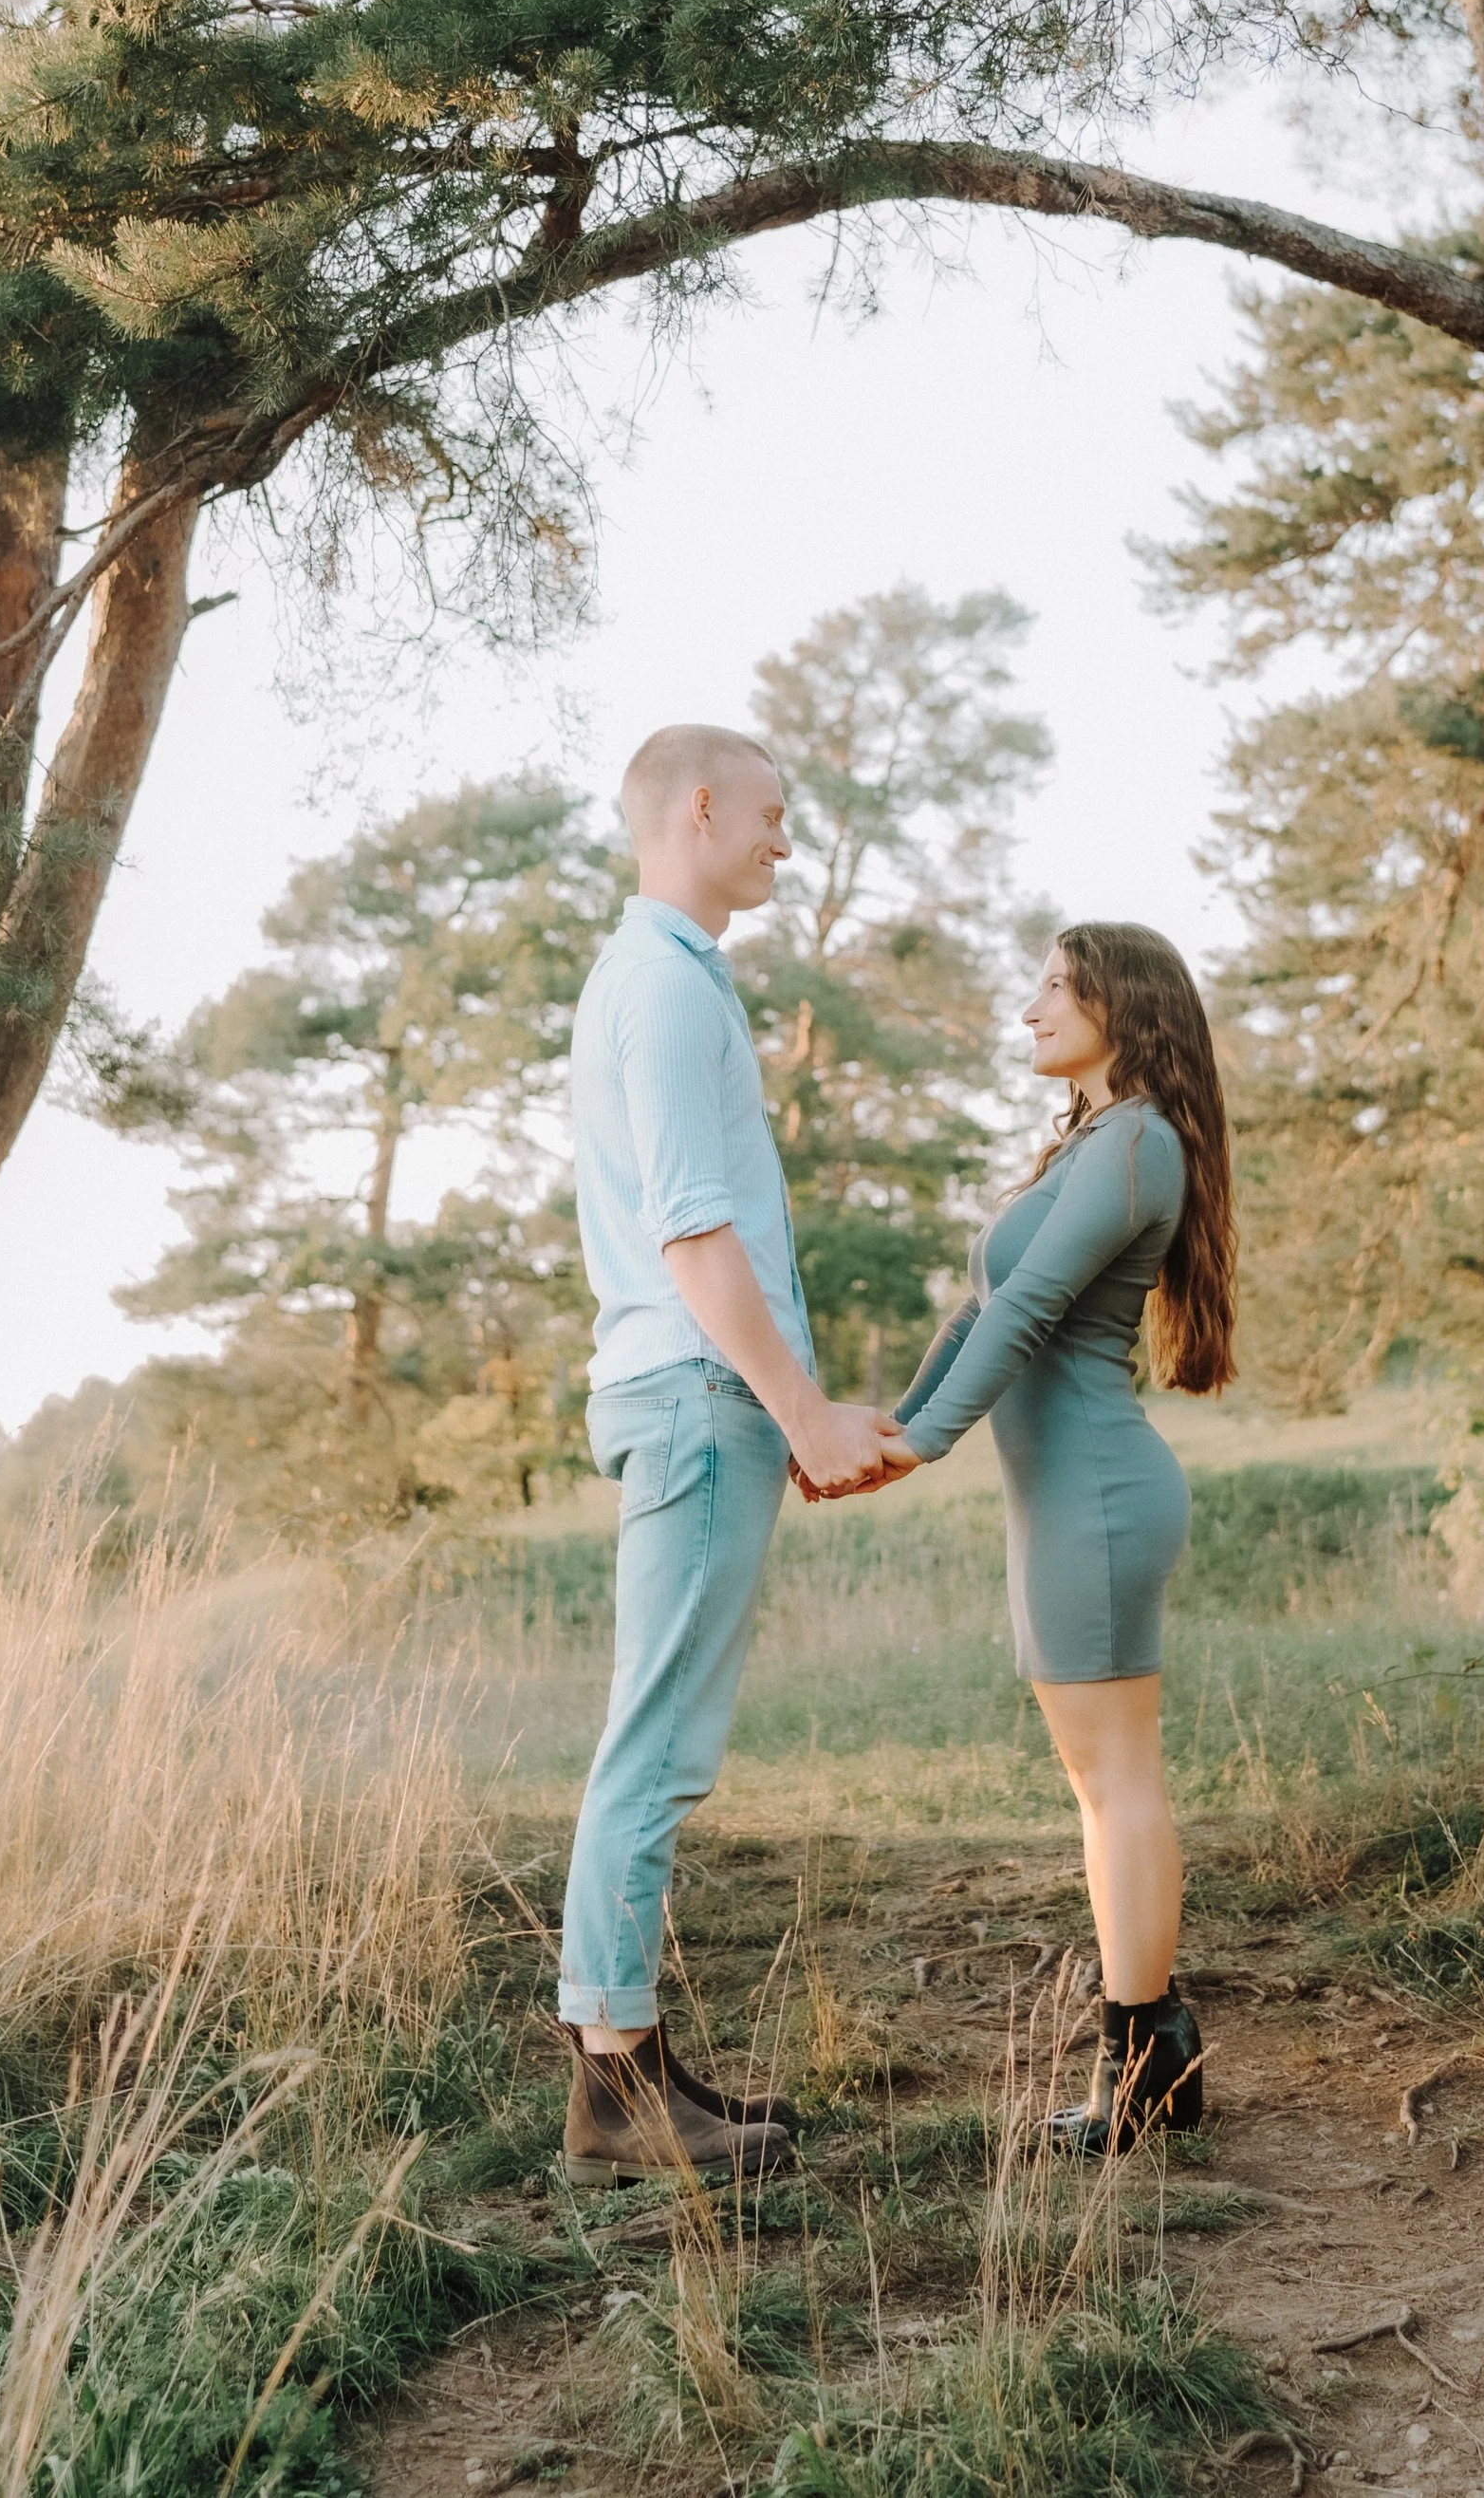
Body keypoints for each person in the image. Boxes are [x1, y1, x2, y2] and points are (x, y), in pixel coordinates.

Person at [557, 721, 917, 2186]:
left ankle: (632, 2059)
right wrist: (803, 1412)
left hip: (703, 1392)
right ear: (699, 807)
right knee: (655, 1743)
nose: (786, 840)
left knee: (661, 1737)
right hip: (699, 1390)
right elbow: (693, 1233)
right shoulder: (661, 985)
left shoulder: (670, 976)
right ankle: (612, 2088)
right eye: (773, 813)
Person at [892, 922, 1237, 2153]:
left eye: (1053, 986)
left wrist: (920, 1445)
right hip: (1063, 1500)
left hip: (1096, 1494)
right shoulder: (1092, 1144)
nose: (1030, 1007)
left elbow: (1031, 1308)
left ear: (1120, 1003)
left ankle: (1141, 2062)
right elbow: (977, 1307)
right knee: (1102, 1785)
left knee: (1118, 1785)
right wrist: (891, 1426)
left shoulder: (1138, 1141)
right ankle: (1159, 2055)